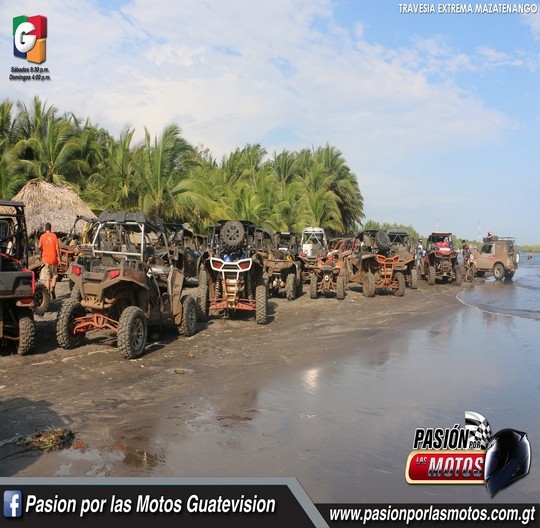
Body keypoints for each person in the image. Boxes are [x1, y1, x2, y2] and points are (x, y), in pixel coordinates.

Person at [38, 222, 61, 299]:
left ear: (45, 228)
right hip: (54, 259)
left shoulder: (42, 236)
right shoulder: (54, 236)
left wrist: (42, 250)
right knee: (54, 276)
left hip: (45, 259)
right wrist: (59, 258)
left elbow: (39, 247)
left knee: (47, 278)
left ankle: (47, 295)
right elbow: (57, 248)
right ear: (51, 228)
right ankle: (53, 289)